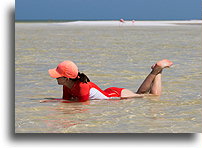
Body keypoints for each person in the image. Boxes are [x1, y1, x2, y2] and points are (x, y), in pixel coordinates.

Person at [40, 59, 173, 103]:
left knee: (153, 96)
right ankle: (156, 70)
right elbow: (67, 101)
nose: (55, 77)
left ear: (67, 78)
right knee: (141, 93)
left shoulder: (82, 87)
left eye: (58, 75)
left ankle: (158, 71)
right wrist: (51, 100)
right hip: (110, 92)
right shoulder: (66, 85)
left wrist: (52, 102)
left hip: (116, 96)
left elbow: (79, 106)